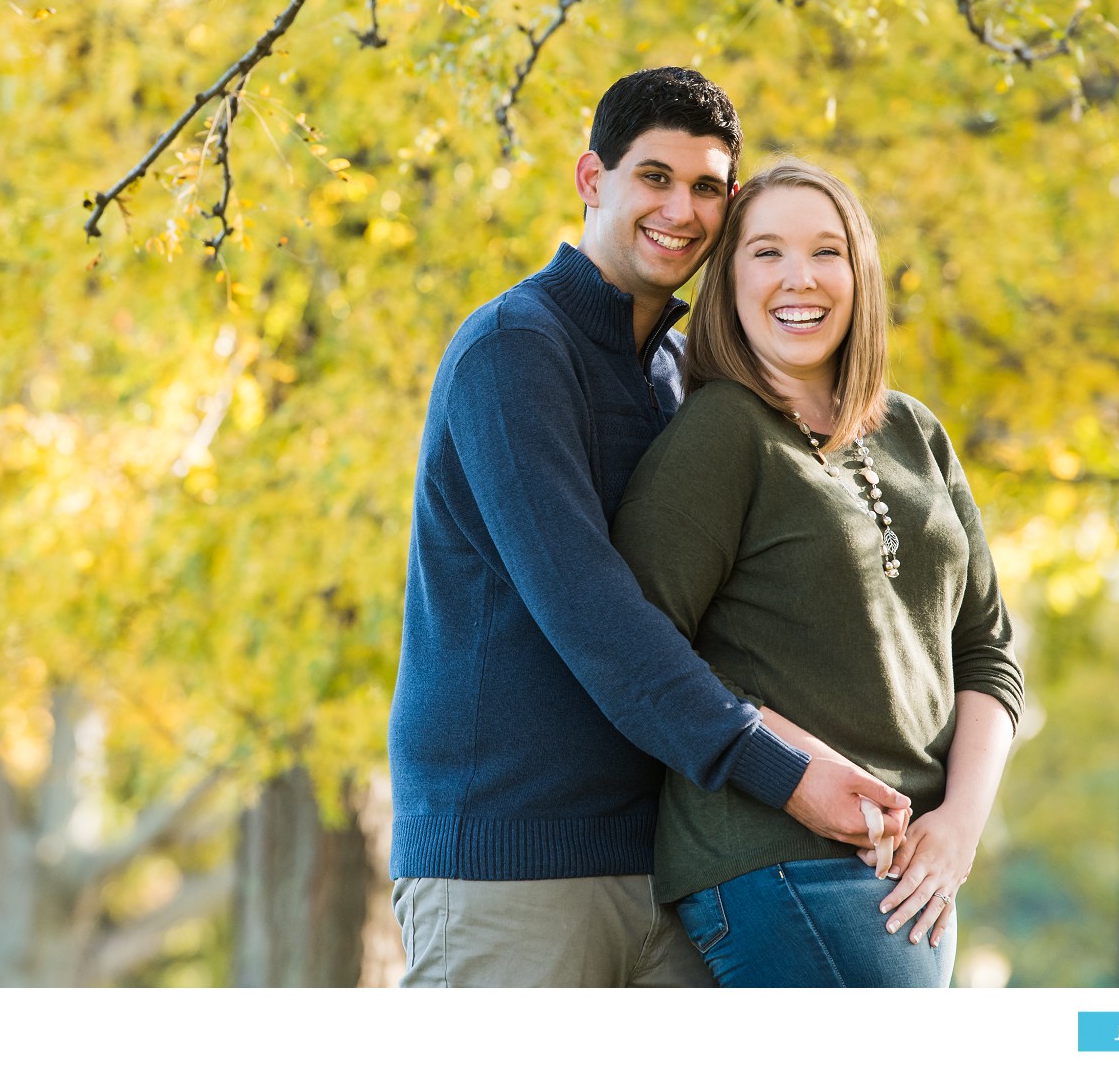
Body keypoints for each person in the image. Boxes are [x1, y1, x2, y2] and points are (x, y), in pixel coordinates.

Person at [388, 71, 910, 987]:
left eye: (708, 188)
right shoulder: (515, 349)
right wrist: (784, 772)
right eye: (655, 177)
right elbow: (593, 610)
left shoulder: (682, 375)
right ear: (592, 178)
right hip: (511, 863)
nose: (682, 210)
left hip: (672, 869)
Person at [610, 158, 1024, 987]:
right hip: (780, 858)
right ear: (728, 281)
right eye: (766, 252)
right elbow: (643, 656)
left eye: (826, 251)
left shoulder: (915, 431)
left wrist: (958, 826)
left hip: (916, 866)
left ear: (860, 271)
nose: (799, 278)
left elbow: (989, 650)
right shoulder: (720, 434)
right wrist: (802, 769)